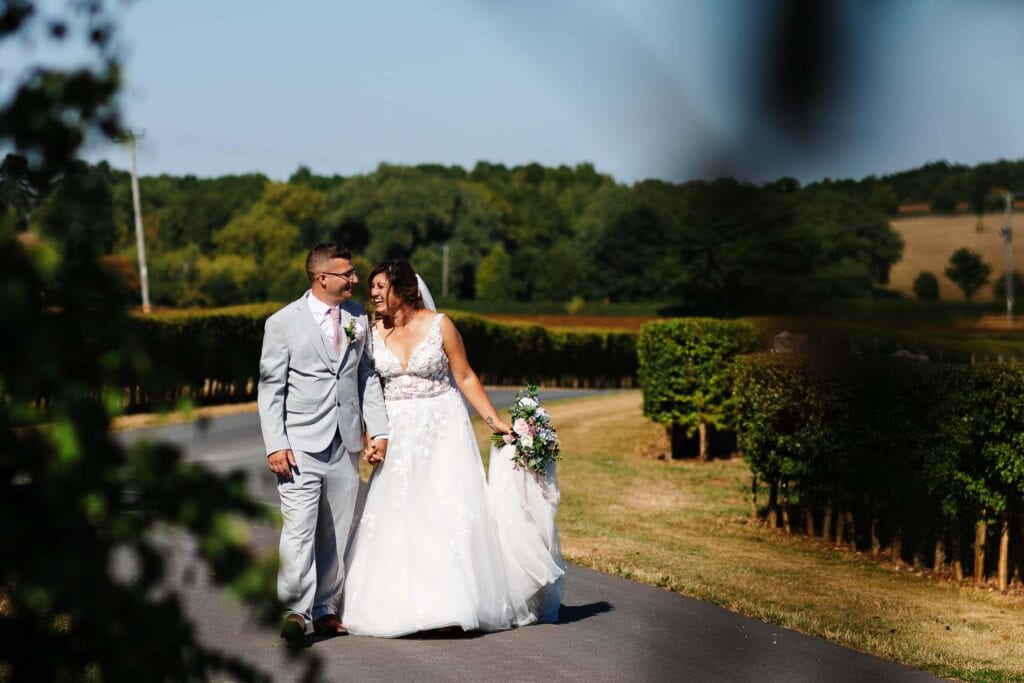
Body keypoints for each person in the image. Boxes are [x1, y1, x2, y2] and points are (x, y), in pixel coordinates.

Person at [341, 259, 564, 638]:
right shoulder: (371, 330)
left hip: (443, 427)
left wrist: (495, 421)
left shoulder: (440, 325)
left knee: (446, 508)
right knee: (401, 511)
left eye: (381, 286)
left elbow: (464, 376)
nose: (374, 293)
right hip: (396, 429)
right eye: (372, 287)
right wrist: (370, 433)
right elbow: (368, 388)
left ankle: (452, 604)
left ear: (404, 289)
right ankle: (398, 603)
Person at [257, 242, 390, 645]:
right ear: (322, 278)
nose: (354, 279)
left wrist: (377, 429)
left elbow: (365, 376)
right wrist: (275, 443)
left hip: (345, 441)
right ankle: (294, 610)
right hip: (298, 444)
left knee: (336, 528)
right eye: (347, 274)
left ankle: (326, 608)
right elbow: (270, 388)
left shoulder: (357, 318)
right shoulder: (282, 323)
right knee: (298, 529)